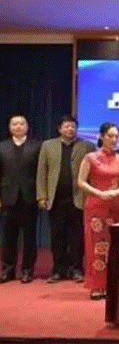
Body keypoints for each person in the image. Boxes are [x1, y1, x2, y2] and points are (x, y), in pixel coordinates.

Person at [37, 115, 95, 283]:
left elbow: (92, 172)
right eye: (67, 126)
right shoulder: (48, 146)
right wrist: (42, 195)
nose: (70, 129)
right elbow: (42, 172)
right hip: (55, 199)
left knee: (77, 237)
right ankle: (58, 270)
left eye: (73, 126)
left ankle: (76, 269)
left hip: (78, 199)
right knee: (57, 236)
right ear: (59, 129)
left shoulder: (87, 146)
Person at [78, 122, 119, 299]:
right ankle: (96, 285)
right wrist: (99, 193)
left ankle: (110, 284)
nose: (113, 139)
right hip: (95, 206)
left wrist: (117, 192)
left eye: (116, 136)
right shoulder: (91, 157)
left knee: (112, 246)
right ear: (101, 136)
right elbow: (81, 181)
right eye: (110, 136)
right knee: (95, 246)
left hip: (114, 206)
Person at [0, 115, 41, 283]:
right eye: (14, 124)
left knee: (29, 236)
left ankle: (27, 270)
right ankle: (8, 270)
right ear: (9, 127)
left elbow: (40, 173)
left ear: (27, 127)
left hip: (29, 197)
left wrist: (41, 196)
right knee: (9, 237)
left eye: (21, 124)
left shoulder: (36, 146)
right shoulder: (2, 147)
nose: (18, 127)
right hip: (7, 197)